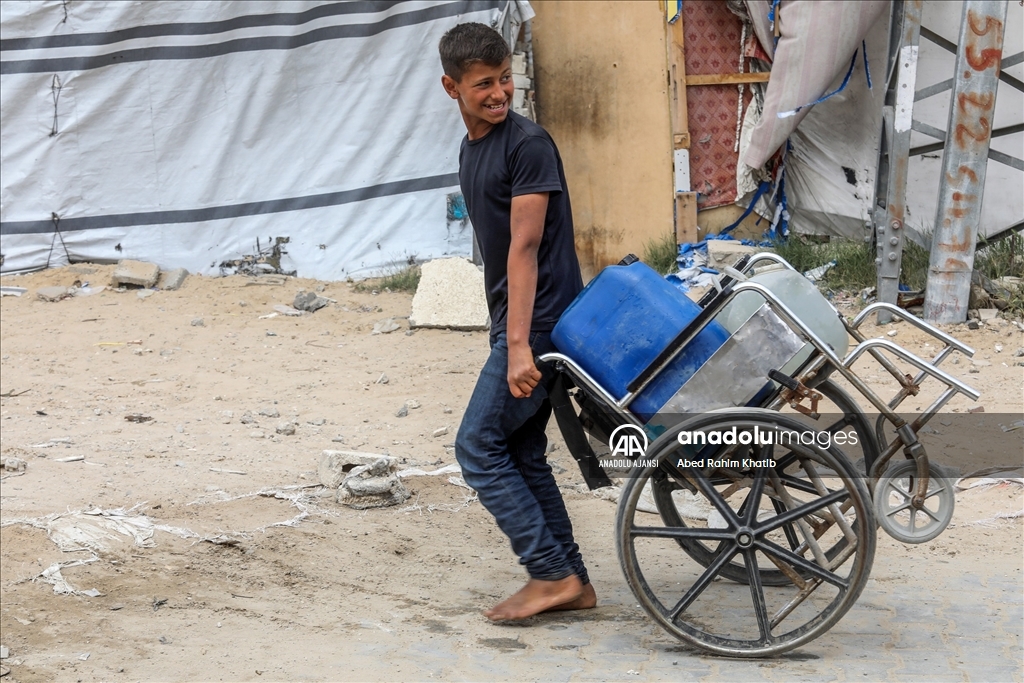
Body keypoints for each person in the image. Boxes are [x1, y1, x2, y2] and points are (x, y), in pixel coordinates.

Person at [439, 22, 596, 621]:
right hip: (521, 318)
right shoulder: (472, 148)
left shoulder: (527, 145)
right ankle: (574, 582)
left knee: (477, 446)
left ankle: (550, 573)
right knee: (522, 453)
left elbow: (525, 249)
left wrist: (518, 346)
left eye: (505, 79)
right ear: (451, 88)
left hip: (541, 320)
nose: (500, 93)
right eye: (484, 84)